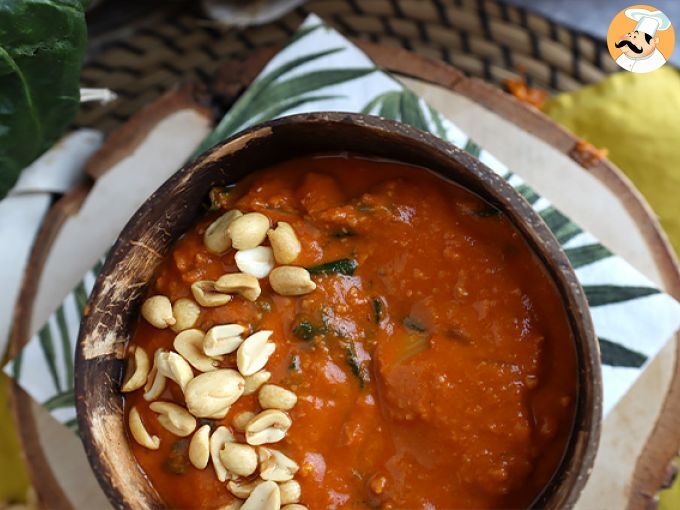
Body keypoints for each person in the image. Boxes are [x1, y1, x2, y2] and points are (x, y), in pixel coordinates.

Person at [615, 8, 671, 73]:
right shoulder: (623, 57)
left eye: (635, 37)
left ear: (653, 41)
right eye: (630, 36)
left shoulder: (658, 62)